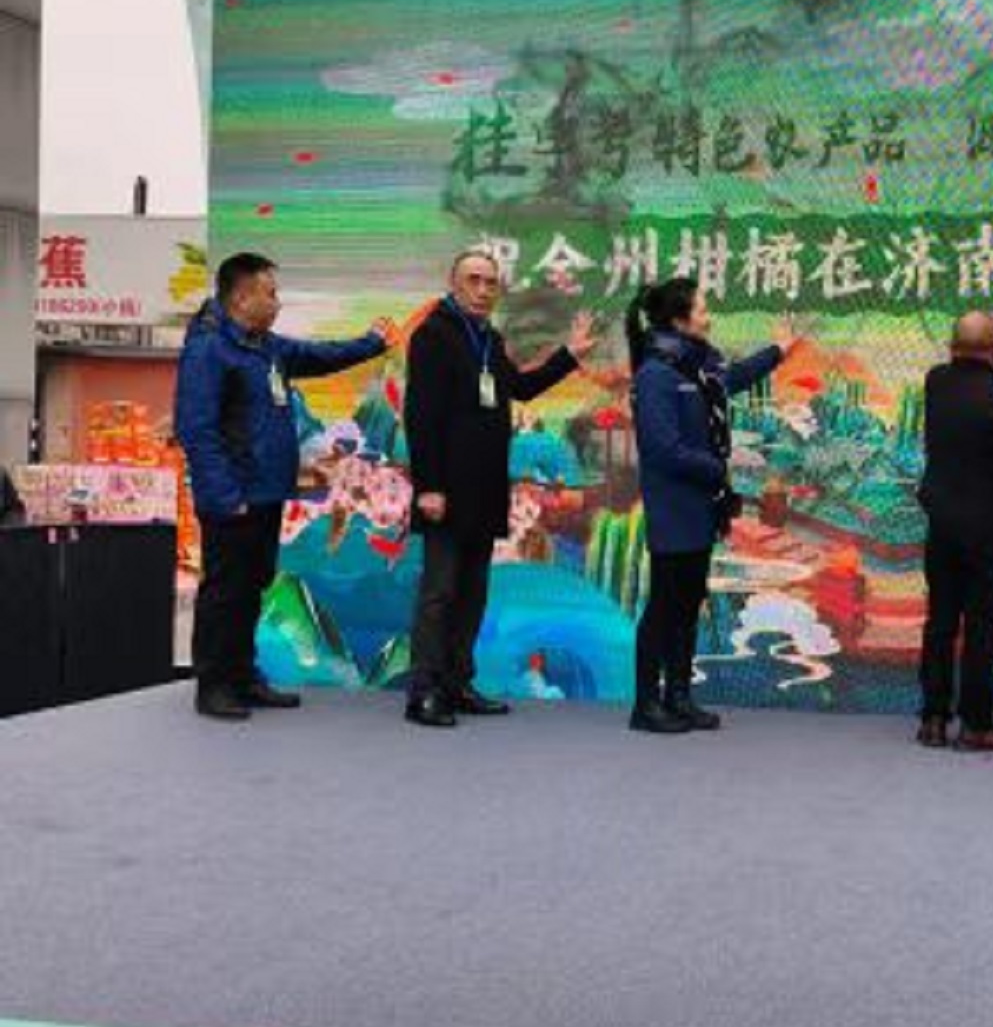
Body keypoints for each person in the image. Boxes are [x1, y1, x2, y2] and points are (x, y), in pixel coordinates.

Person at [175, 252, 395, 720]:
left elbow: (319, 356)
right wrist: (225, 497)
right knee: (224, 591)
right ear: (242, 297)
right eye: (270, 293)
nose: (278, 302)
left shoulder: (267, 347)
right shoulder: (209, 349)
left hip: (266, 493)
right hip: (233, 499)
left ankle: (243, 676)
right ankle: (214, 685)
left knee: (252, 587)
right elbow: (196, 429)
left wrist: (372, 343)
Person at [402, 248, 596, 728]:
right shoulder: (433, 336)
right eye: (474, 280)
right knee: (439, 593)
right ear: (454, 283)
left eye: (491, 283)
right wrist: (428, 486)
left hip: (485, 489)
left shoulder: (489, 338)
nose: (484, 290)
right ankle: (424, 691)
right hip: (445, 490)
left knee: (472, 593)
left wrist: (569, 355)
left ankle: (457, 683)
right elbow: (420, 414)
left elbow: (520, 389)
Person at [626, 277, 797, 735]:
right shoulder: (657, 374)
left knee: (687, 605)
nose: (709, 317)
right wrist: (719, 466)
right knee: (664, 607)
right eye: (702, 309)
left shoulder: (698, 367)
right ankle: (646, 704)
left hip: (702, 508)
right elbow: (663, 449)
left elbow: (731, 379)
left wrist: (777, 351)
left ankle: (679, 697)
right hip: (674, 510)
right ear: (679, 319)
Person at [915, 311, 993, 753]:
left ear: (952, 346)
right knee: (982, 627)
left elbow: (966, 365)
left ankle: (933, 719)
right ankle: (976, 724)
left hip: (943, 525)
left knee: (941, 622)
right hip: (990, 531)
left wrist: (990, 347)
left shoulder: (936, 384)